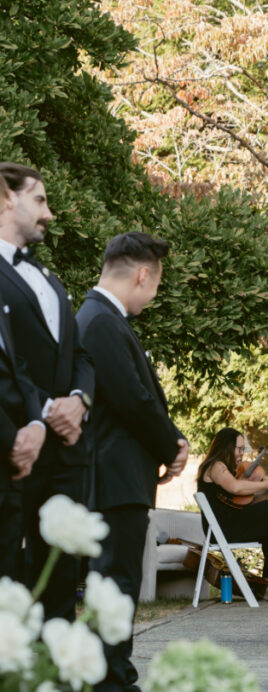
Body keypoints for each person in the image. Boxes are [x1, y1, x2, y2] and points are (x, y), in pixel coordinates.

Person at [76, 231, 188, 692]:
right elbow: (131, 400)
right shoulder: (100, 322)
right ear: (143, 274)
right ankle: (104, 691)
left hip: (122, 476)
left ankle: (119, 680)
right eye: (156, 284)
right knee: (112, 586)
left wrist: (171, 440)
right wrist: (171, 444)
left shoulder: (105, 319)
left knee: (119, 586)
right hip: (111, 477)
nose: (154, 294)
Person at [0, 162, 93, 618]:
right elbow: (7, 363)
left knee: (62, 576)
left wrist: (78, 402)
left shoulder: (51, 280)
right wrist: (41, 411)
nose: (49, 213)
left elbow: (79, 355)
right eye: (39, 200)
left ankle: (58, 682)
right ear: (6, 199)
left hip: (66, 450)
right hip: (16, 444)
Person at [197, 428, 268, 605]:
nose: (241, 453)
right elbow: (236, 488)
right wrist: (266, 482)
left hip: (233, 523)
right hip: (222, 528)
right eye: (239, 448)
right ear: (227, 447)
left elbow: (249, 502)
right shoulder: (216, 466)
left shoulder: (228, 470)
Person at [0, 173, 46, 578]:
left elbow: (18, 368)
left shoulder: (29, 279)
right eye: (39, 200)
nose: (48, 213)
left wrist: (34, 422)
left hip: (11, 472)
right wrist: (13, 437)